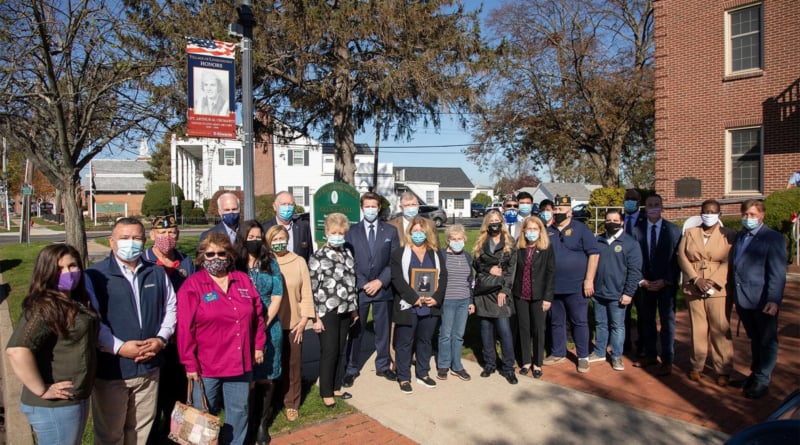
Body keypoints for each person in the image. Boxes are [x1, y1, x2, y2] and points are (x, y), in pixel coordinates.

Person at [86, 217, 177, 445]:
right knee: (110, 435)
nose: (131, 243)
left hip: (149, 369)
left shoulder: (156, 273)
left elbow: (171, 308)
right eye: (124, 238)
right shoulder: (95, 277)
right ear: (111, 241)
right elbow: (92, 320)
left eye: (136, 238)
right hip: (113, 372)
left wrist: (160, 339)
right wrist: (119, 347)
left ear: (145, 241)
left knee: (140, 431)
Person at [177, 232, 266, 445]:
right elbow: (184, 329)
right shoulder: (193, 285)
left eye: (221, 253)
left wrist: (258, 345)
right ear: (201, 257)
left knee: (239, 413)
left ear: (230, 255)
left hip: (240, 363)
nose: (216, 258)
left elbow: (258, 315)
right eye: (210, 254)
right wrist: (190, 363)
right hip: (207, 366)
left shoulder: (242, 280)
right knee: (203, 416)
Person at [6, 244, 99, 445]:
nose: (68, 273)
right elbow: (17, 350)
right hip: (54, 406)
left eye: (73, 266)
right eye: (59, 269)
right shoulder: (44, 307)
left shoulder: (73, 300)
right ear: (46, 272)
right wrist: (41, 389)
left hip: (74, 398)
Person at [142, 215, 195, 445]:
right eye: (162, 233)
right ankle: (152, 436)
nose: (167, 237)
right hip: (153, 339)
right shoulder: (143, 260)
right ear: (152, 235)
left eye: (172, 233)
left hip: (180, 340)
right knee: (152, 396)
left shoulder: (186, 261)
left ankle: (176, 435)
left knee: (179, 392)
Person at [730, 199, 786, 399]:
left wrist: (773, 299)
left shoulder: (773, 238)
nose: (748, 218)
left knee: (767, 341)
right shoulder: (741, 236)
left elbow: (777, 273)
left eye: (752, 215)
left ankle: (763, 380)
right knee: (754, 339)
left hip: (763, 300)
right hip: (744, 298)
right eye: (745, 214)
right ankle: (754, 374)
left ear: (761, 215)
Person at [343, 192, 399, 388]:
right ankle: (351, 368)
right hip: (360, 290)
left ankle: (383, 366)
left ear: (379, 207)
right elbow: (349, 262)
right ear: (362, 208)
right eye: (367, 206)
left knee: (382, 331)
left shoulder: (390, 232)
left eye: (374, 206)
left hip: (383, 290)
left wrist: (380, 281)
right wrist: (363, 282)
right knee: (356, 331)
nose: (370, 209)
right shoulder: (351, 232)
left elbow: (394, 261)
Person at [235, 220, 283, 444]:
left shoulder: (270, 262)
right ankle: (248, 422)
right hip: (241, 329)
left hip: (269, 326)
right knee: (248, 379)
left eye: (258, 237)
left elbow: (277, 295)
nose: (254, 241)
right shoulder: (235, 263)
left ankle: (263, 423)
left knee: (267, 377)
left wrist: (264, 322)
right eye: (250, 237)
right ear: (243, 239)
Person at [676, 200, 735, 386]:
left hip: (718, 287)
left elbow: (728, 260)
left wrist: (713, 281)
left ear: (719, 214)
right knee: (698, 329)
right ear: (700, 213)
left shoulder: (728, 235)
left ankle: (723, 369)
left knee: (720, 328)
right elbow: (682, 256)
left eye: (713, 211)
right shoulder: (690, 233)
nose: (709, 214)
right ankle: (696, 366)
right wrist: (695, 278)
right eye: (705, 211)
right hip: (694, 286)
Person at [543, 195, 599, 373]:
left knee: (579, 321)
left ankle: (582, 356)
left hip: (577, 286)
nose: (557, 212)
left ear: (570, 212)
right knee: (556, 321)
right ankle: (558, 352)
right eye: (556, 209)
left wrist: (589, 279)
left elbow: (594, 254)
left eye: (561, 210)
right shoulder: (548, 231)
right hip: (554, 286)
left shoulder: (581, 229)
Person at [391, 216, 448, 394]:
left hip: (430, 306)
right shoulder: (400, 253)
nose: (418, 234)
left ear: (427, 233)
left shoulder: (436, 253)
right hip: (409, 305)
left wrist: (436, 297)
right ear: (409, 233)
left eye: (421, 231)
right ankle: (404, 377)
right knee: (404, 342)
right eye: (415, 231)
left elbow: (443, 277)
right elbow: (396, 278)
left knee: (425, 340)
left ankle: (422, 373)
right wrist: (412, 297)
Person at [309, 213, 359, 408]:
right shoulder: (318, 257)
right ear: (326, 232)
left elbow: (351, 282)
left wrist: (354, 309)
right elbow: (312, 290)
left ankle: (337, 386)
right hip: (326, 311)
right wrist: (315, 318)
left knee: (340, 350)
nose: (338, 236)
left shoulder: (347, 253)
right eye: (334, 232)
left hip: (346, 309)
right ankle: (326, 391)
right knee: (329, 351)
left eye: (341, 233)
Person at [631, 194, 682, 376]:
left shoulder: (674, 230)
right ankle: (650, 354)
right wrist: (641, 280)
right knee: (647, 321)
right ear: (645, 207)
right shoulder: (637, 230)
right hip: (645, 284)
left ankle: (667, 359)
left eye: (656, 205)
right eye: (650, 205)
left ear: (662, 207)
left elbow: (678, 259)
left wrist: (666, 280)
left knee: (667, 322)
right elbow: (634, 259)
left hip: (665, 284)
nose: (653, 207)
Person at [268, 224, 315, 421]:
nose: (279, 243)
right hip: (271, 323)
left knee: (293, 364)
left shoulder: (299, 261)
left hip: (294, 322)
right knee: (271, 364)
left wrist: (304, 320)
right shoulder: (265, 263)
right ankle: (271, 400)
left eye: (282, 238)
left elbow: (306, 293)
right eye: (274, 239)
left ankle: (292, 402)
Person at [587, 210, 642, 372]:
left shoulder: (630, 243)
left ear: (622, 222)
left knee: (617, 326)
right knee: (600, 323)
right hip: (599, 292)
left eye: (615, 220)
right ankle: (599, 351)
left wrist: (628, 293)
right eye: (608, 220)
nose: (611, 222)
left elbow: (635, 271)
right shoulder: (598, 241)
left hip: (618, 293)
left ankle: (616, 355)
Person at [472, 210, 518, 384]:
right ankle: (490, 363)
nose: (494, 223)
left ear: (502, 222)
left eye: (497, 220)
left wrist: (504, 290)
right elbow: (476, 263)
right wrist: (487, 269)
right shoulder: (481, 241)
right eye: (491, 220)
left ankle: (508, 367)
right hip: (484, 292)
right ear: (486, 223)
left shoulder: (509, 242)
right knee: (486, 330)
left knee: (505, 332)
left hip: (500, 292)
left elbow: (511, 270)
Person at [511, 216, 555, 379]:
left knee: (538, 329)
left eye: (535, 229)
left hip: (539, 296)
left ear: (540, 231)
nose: (531, 232)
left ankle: (537, 363)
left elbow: (551, 273)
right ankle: (525, 361)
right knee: (523, 329)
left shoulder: (546, 248)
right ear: (523, 231)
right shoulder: (519, 247)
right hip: (521, 294)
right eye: (528, 229)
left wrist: (547, 298)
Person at [436, 224, 475, 381]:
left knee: (458, 335)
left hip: (464, 300)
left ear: (464, 239)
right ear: (448, 240)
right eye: (453, 239)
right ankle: (443, 364)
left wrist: (471, 301)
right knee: (445, 334)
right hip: (447, 300)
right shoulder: (441, 256)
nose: (457, 241)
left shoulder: (467, 256)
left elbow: (470, 280)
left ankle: (457, 366)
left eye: (460, 239)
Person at [622, 188, 645, 353]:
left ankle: (643, 344)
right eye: (627, 198)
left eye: (633, 199)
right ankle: (625, 344)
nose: (629, 201)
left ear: (639, 202)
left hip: (640, 273)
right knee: (623, 313)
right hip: (621, 272)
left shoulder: (645, 222)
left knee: (643, 312)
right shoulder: (619, 219)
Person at [262, 191, 314, 263]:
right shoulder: (265, 228)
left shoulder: (303, 226)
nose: (287, 207)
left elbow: (309, 254)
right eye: (283, 204)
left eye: (290, 204)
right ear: (274, 206)